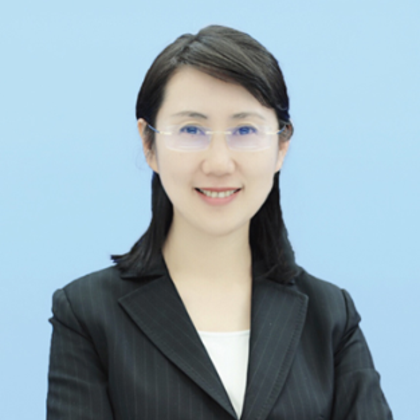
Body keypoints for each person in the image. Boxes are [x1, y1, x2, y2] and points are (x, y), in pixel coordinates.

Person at [46, 25, 393, 420]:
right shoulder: (87, 314)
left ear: (281, 145)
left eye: (244, 130)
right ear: (148, 143)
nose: (218, 163)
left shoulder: (330, 316)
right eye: (191, 130)